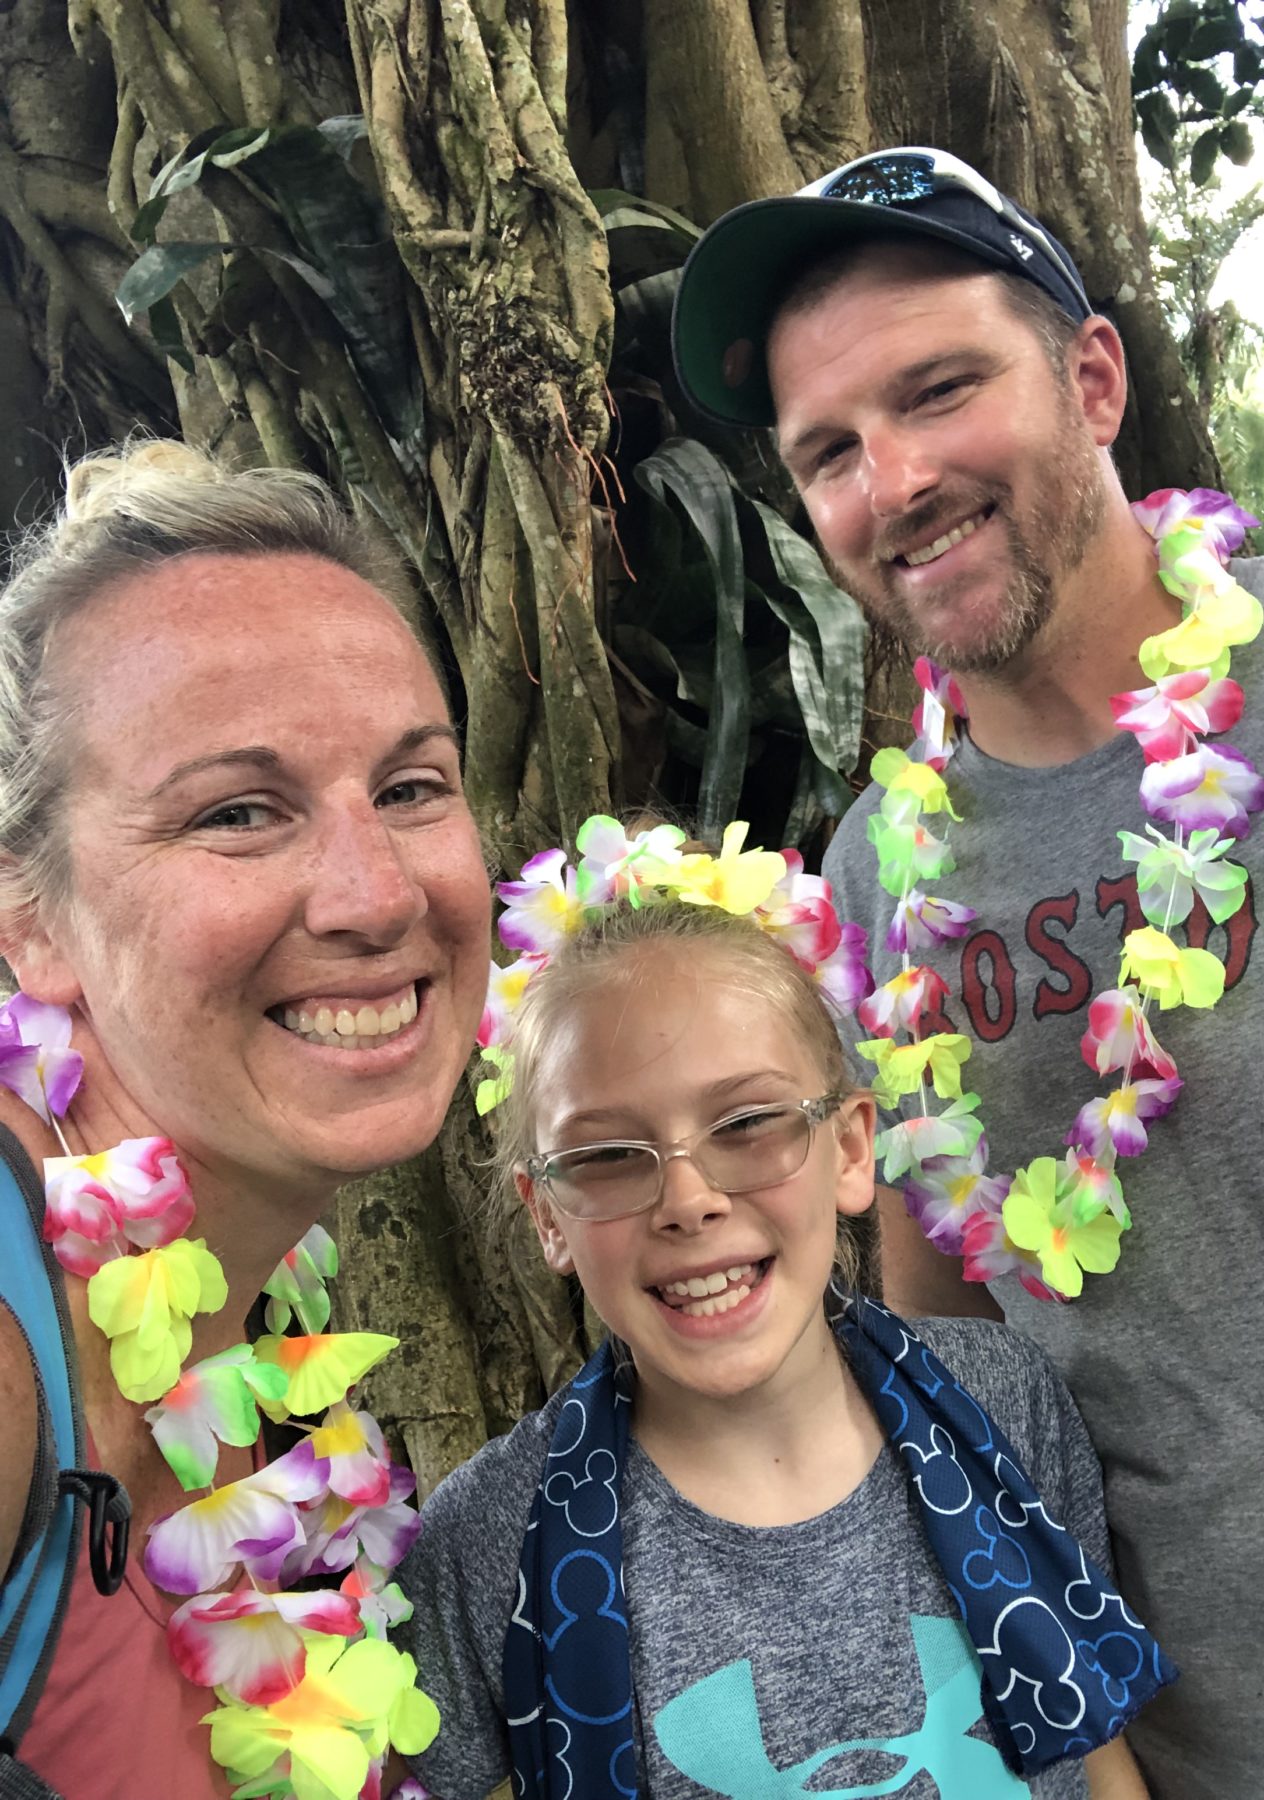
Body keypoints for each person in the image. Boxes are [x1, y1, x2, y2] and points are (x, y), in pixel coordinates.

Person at [670, 146, 1264, 1797]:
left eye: (939, 390)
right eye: (829, 451)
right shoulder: (875, 877)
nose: (894, 480)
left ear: (1094, 381)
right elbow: (953, 1350)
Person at [398, 844, 1160, 1799]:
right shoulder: (489, 1541)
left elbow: (1094, 1740)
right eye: (607, 1156)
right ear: (548, 1214)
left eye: (747, 1124)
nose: (689, 1200)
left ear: (850, 1149)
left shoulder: (1001, 1403)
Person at [0, 439, 491, 1798]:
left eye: (410, 787)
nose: (375, 895)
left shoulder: (256, 1288)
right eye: (237, 812)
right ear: (29, 920)